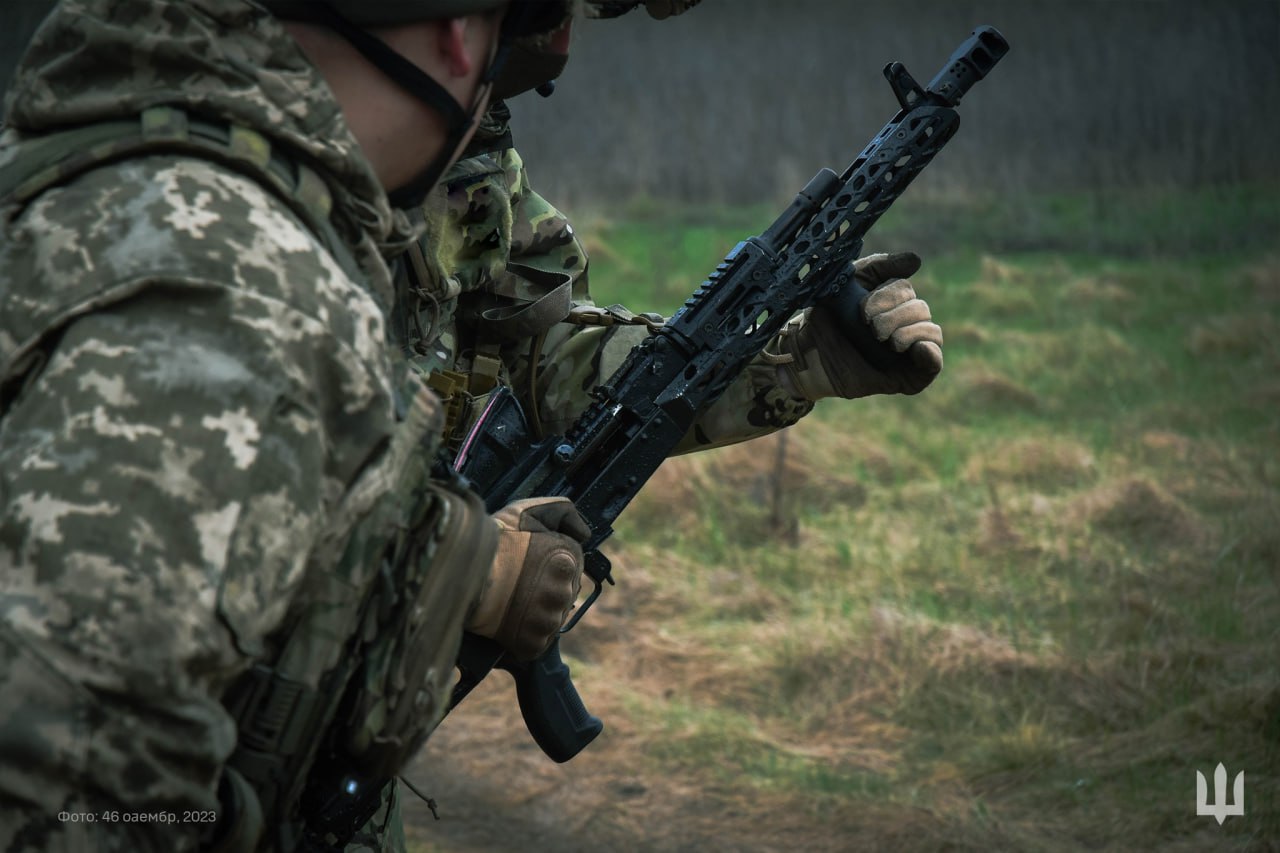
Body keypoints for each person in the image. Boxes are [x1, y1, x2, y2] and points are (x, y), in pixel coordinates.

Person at [0, 0, 582, 850]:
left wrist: (472, 567)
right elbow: (65, 801)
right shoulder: (232, 279)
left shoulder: (112, 178)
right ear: (463, 33)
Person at [402, 0, 942, 483]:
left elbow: (536, 366)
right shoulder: (332, 186)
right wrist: (481, 560)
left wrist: (793, 362)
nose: (560, 35)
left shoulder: (471, 150)